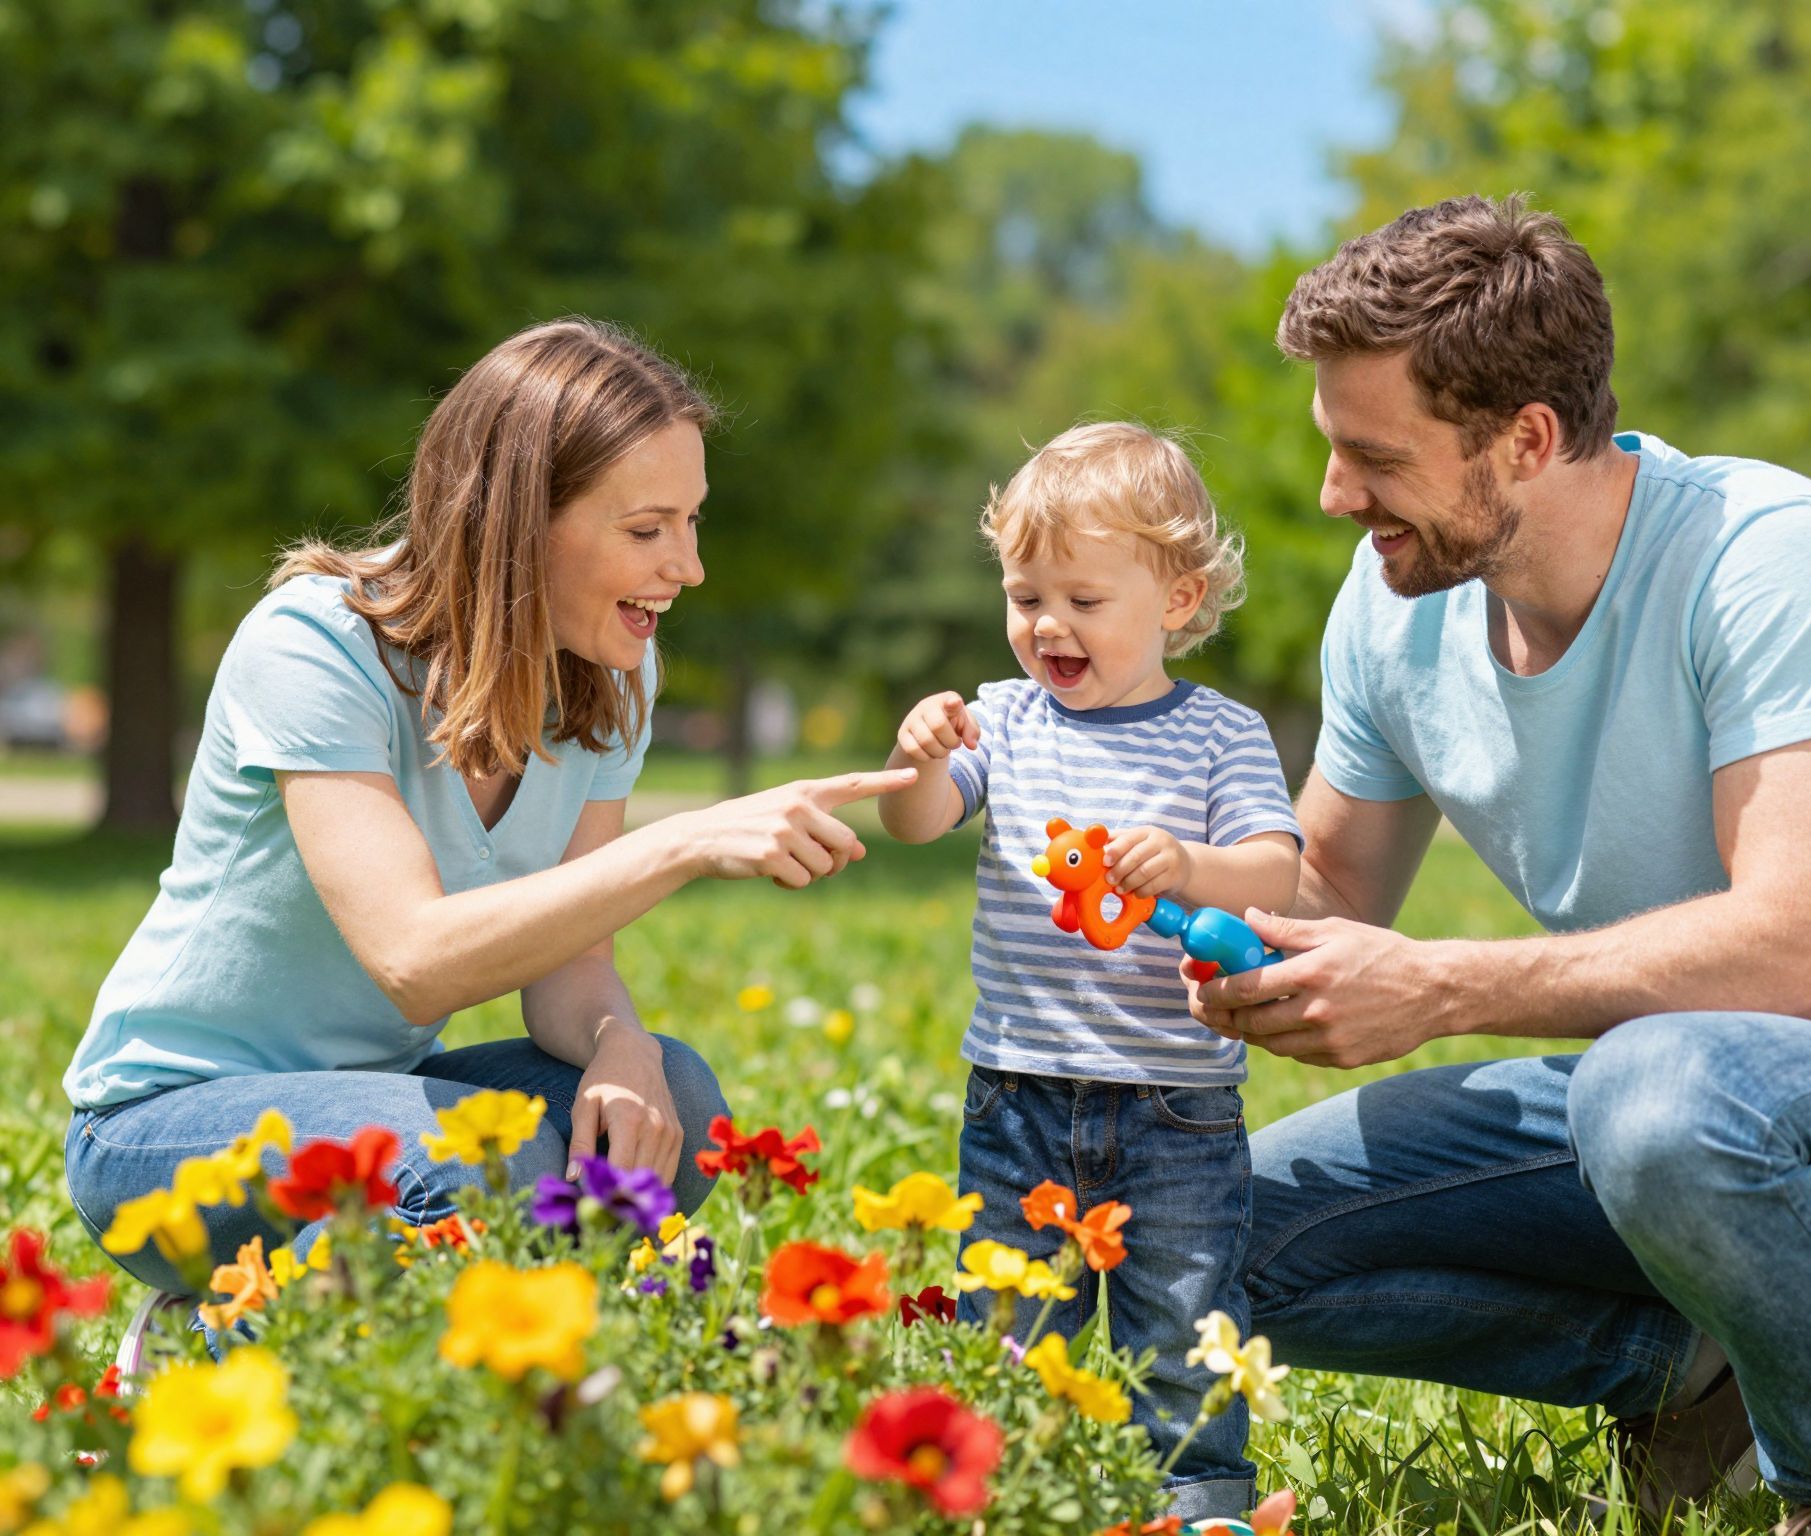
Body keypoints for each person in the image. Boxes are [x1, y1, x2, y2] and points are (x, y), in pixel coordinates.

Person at [1185, 197, 1811, 1536]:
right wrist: (1176, 885)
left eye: (1373, 456)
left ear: (1525, 439)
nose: (1335, 497)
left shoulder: (1765, 558)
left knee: (1659, 1090)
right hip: (1639, 1110)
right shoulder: (1391, 605)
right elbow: (1334, 894)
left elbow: (1790, 956)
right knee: (1208, 1238)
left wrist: (1440, 988)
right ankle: (1694, 1382)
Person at [64, 317, 917, 1292]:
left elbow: (569, 969)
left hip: (369, 1103)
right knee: (485, 1164)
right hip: (163, 1131)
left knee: (667, 1102)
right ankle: (227, 1341)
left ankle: (453, 1349)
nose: (687, 567)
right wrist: (681, 844)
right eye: (646, 530)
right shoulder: (312, 646)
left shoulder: (608, 678)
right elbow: (414, 962)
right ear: (517, 519)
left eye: (692, 522)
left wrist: (615, 1044)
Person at [877, 423, 1304, 1522]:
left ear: (1176, 598)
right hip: (1015, 1093)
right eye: (1024, 596)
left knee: (1181, 1316)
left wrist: (1193, 865)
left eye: (1081, 599)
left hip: (1176, 1105)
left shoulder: (1220, 737)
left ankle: (1199, 1499)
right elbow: (920, 822)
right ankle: (1018, 1491)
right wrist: (914, 760)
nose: (1045, 625)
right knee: (1011, 1321)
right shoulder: (1006, 718)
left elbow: (1275, 871)